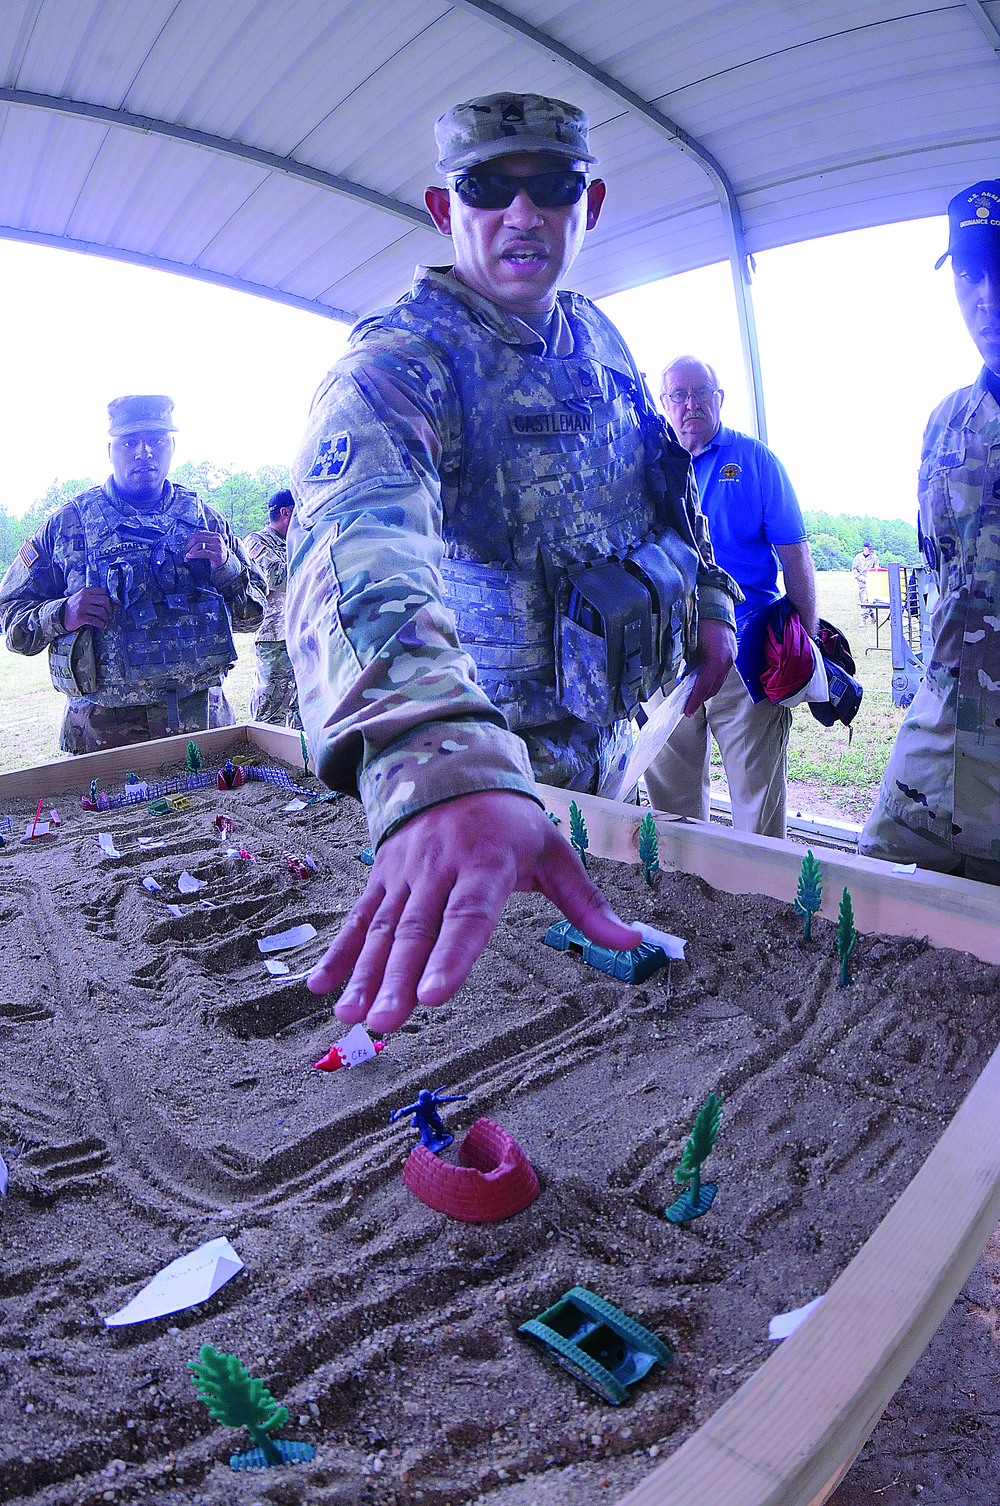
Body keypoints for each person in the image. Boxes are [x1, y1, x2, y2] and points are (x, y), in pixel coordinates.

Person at [285, 92, 741, 1033]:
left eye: (553, 188)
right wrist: (437, 755)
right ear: (445, 210)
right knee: (499, 1043)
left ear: (592, 204)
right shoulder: (405, 360)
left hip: (613, 749)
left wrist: (710, 601)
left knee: (611, 1032)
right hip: (488, 805)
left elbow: (667, 493)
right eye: (489, 188)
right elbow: (355, 547)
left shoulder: (603, 342)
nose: (522, 214)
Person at [860, 180, 1000, 882]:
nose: (988, 296)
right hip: (940, 744)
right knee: (869, 904)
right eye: (972, 273)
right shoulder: (946, 422)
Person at [0, 395, 266, 753]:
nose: (144, 452)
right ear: (109, 450)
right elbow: (10, 615)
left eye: (156, 440)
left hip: (202, 722)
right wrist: (63, 613)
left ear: (172, 446)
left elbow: (255, 616)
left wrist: (226, 567)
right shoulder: (67, 524)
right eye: (129, 442)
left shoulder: (206, 519)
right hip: (102, 732)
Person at [644, 357, 817, 838]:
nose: (690, 403)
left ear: (720, 398)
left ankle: (766, 904)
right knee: (671, 811)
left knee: (757, 808)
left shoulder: (757, 461)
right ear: (664, 404)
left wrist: (807, 646)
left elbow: (795, 555)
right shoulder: (646, 466)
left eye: (702, 391)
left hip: (749, 659)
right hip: (667, 662)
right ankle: (681, 903)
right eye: (678, 394)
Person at [243, 489, 302, 728]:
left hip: (301, 635)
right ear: (286, 512)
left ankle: (301, 762)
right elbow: (273, 576)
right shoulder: (256, 541)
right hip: (275, 639)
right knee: (271, 711)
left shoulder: (295, 542)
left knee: (302, 711)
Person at [852, 539, 880, 624]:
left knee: (866, 600)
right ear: (864, 548)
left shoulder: (874, 557)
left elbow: (877, 568)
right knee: (864, 600)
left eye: (871, 548)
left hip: (871, 582)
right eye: (869, 548)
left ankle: (863, 620)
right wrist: (860, 577)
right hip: (861, 583)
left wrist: (872, 577)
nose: (870, 550)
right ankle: (872, 616)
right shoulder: (858, 557)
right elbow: (854, 569)